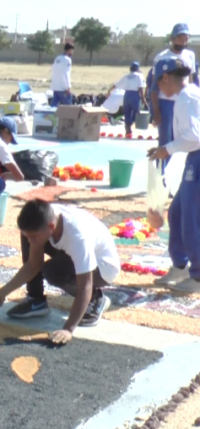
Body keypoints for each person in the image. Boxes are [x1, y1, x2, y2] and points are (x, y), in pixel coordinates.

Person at [0, 199, 120, 344]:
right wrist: (1, 293)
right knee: (28, 232)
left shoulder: (78, 236)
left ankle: (96, 299)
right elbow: (33, 264)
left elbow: (86, 285)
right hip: (71, 251)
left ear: (51, 227)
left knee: (53, 271)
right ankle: (36, 300)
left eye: (34, 238)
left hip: (103, 268)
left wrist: (68, 329)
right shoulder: (46, 218)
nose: (31, 241)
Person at [147, 57, 200, 294]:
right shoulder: (189, 95)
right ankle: (180, 265)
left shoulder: (186, 98)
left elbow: (195, 136)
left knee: (191, 217)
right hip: (194, 157)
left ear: (166, 78)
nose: (159, 90)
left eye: (158, 84)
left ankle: (198, 276)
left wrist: (166, 149)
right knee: (178, 212)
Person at [152, 24, 198, 168]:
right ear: (172, 38)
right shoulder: (161, 57)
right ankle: (163, 176)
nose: (183, 41)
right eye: (179, 37)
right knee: (166, 139)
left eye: (186, 38)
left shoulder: (190, 55)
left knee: (180, 139)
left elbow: (192, 79)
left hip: (183, 99)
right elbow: (154, 86)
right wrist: (156, 111)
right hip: (166, 103)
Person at [107, 62, 147, 136]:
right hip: (135, 95)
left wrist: (109, 90)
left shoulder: (126, 76)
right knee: (136, 112)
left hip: (127, 95)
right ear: (138, 68)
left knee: (127, 112)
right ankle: (130, 123)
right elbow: (141, 88)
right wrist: (143, 98)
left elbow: (117, 84)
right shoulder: (139, 76)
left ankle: (128, 129)